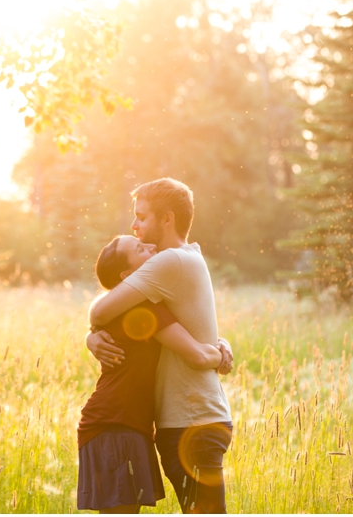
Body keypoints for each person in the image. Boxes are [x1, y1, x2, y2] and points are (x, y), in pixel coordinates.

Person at [86, 177, 234, 514]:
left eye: (142, 216)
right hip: (189, 419)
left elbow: (102, 308)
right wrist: (90, 337)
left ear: (167, 219)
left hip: (191, 421)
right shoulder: (187, 257)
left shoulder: (168, 263)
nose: (134, 225)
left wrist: (92, 330)